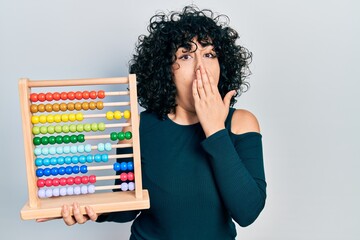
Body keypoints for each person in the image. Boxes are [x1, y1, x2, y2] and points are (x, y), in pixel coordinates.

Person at [39, 5, 267, 239]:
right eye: (186, 55)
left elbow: (247, 212)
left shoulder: (241, 123)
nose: (202, 67)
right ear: (166, 70)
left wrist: (215, 130)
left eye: (209, 54)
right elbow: (128, 205)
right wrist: (89, 210)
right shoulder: (138, 128)